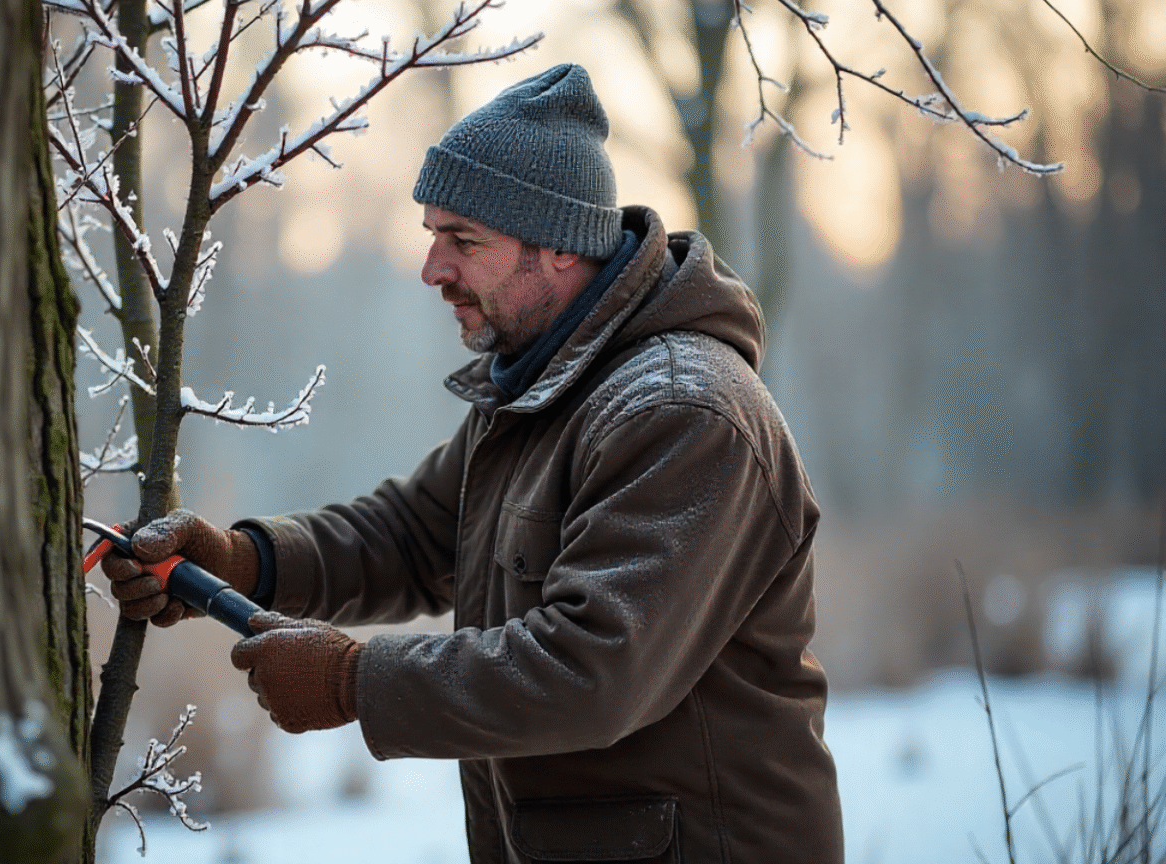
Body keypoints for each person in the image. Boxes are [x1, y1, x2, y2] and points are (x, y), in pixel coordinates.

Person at [103, 63, 844, 864]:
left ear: (560, 245)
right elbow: (413, 534)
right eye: (432, 235)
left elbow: (592, 669)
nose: (433, 268)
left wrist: (355, 682)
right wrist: (243, 561)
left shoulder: (680, 414)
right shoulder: (544, 387)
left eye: (463, 240)